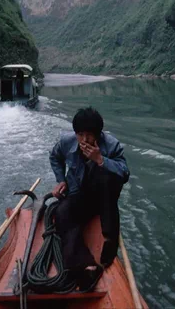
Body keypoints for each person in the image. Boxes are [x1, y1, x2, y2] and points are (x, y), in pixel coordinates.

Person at [49, 107, 129, 290]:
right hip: (78, 194)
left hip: (104, 197)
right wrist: (61, 180)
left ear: (98, 135)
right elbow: (55, 157)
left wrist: (100, 160)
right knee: (61, 213)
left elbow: (125, 173)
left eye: (89, 135)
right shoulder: (66, 142)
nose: (84, 140)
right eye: (80, 134)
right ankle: (86, 264)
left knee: (107, 176)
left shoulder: (111, 145)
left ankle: (109, 238)